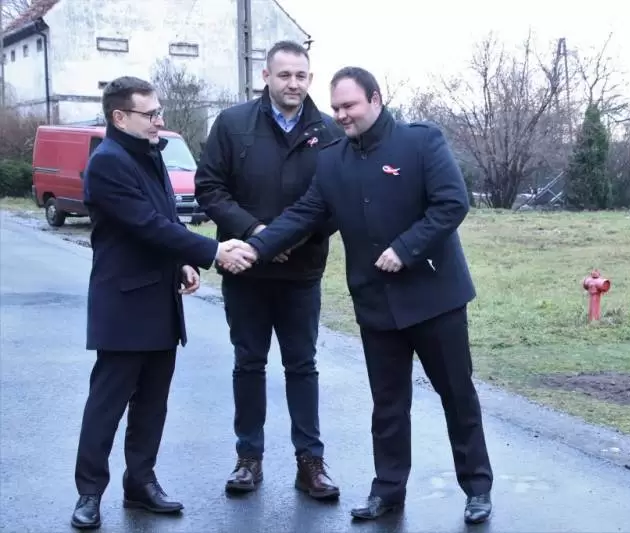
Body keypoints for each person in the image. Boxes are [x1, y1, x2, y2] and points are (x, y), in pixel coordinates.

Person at [235, 66, 494, 525]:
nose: (341, 115)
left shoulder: (420, 142)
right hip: (376, 303)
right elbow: (304, 215)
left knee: (457, 396)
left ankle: (477, 488)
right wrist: (255, 247)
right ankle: (387, 491)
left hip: (435, 298)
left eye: (349, 105)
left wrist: (406, 249)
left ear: (375, 99)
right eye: (335, 107)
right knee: (388, 405)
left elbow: (452, 202)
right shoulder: (332, 160)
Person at [71, 76, 255, 530]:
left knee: (153, 403)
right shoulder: (108, 163)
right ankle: (89, 492)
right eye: (150, 113)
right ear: (120, 117)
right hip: (123, 306)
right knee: (107, 405)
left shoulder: (149, 153)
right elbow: (146, 225)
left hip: (160, 301)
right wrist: (212, 251)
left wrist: (182, 263)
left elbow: (165, 220)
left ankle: (141, 483)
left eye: (159, 111)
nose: (160, 119)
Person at [194, 40, 343, 499]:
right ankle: (248, 459)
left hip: (302, 270)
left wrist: (290, 240)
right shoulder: (232, 123)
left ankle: (310, 463)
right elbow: (209, 188)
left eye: (301, 76)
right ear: (266, 76)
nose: (293, 84)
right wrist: (258, 235)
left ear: (310, 78)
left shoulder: (329, 131)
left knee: (302, 366)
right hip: (246, 269)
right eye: (284, 75)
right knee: (248, 363)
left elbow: (338, 200)